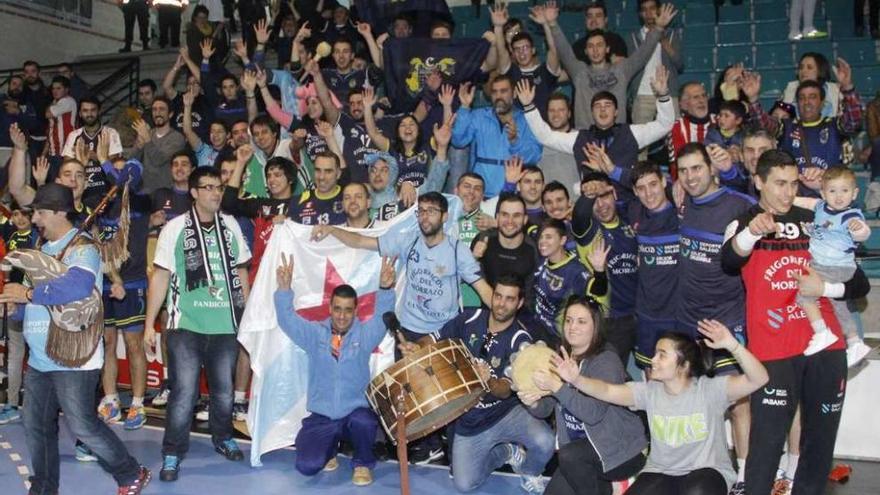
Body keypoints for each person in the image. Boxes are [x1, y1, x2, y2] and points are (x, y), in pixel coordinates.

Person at [720, 149, 870, 495]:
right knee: (767, 443)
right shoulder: (745, 222)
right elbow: (728, 261)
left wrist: (825, 287)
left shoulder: (817, 219)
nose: (787, 193)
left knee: (819, 444)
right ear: (758, 182)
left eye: (793, 184)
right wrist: (751, 234)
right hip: (773, 349)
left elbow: (858, 283)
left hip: (826, 343)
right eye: (779, 184)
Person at [0, 183, 152, 494]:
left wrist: (26, 293)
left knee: (83, 424)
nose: (36, 219)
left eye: (41, 213)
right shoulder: (42, 252)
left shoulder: (85, 248)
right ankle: (43, 487)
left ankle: (130, 472)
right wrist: (16, 307)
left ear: (58, 212)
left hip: (74, 357)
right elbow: (37, 307)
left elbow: (78, 288)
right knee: (36, 426)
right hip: (41, 356)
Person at [550, 322, 768, 494]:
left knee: (698, 490)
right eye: (655, 353)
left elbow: (759, 378)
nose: (653, 360)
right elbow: (607, 391)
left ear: (684, 364)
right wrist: (577, 379)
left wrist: (733, 345)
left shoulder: (710, 390)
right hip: (661, 473)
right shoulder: (649, 391)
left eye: (662, 354)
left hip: (706, 473)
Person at [144, 167, 252, 482]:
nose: (216, 193)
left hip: (225, 326)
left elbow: (242, 273)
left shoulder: (231, 225)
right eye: (208, 187)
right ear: (194, 192)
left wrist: (246, 317)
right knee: (184, 393)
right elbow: (161, 277)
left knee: (223, 392)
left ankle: (222, 437)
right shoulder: (175, 228)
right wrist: (150, 323)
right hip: (186, 325)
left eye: (219, 187)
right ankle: (172, 452)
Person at [400, 276, 556, 493]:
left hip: (506, 414)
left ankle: (529, 471)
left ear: (519, 304)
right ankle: (506, 452)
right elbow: (435, 338)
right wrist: (418, 347)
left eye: (509, 299)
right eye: (498, 296)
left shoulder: (521, 341)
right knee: (465, 484)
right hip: (471, 420)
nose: (501, 303)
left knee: (545, 441)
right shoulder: (468, 318)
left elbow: (504, 390)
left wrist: (488, 382)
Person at [275, 254, 396, 486]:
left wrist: (385, 288)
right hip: (322, 416)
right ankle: (329, 450)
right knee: (306, 467)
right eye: (337, 308)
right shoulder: (314, 335)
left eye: (348, 310)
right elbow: (287, 320)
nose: (342, 315)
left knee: (366, 422)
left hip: (354, 414)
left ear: (356, 310)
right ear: (330, 308)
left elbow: (384, 317)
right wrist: (283, 290)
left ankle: (362, 462)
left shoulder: (365, 336)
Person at [522, 296, 648, 495]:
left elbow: (593, 414)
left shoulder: (606, 360)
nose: (573, 326)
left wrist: (558, 386)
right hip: (581, 456)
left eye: (582, 321)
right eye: (569, 320)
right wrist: (532, 401)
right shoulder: (561, 355)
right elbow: (546, 408)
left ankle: (614, 485)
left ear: (595, 326)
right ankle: (608, 486)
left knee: (569, 456)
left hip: (620, 452)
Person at [544, 2, 677, 128]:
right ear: (585, 51)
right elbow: (564, 50)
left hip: (617, 136)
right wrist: (552, 24)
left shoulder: (621, 70)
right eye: (590, 46)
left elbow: (642, 53)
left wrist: (658, 28)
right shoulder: (579, 72)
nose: (595, 50)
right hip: (586, 137)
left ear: (607, 49)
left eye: (599, 45)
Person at [792, 166, 873, 365]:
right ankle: (854, 342)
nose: (838, 197)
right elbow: (806, 202)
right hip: (825, 265)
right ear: (823, 192)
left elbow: (864, 233)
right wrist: (788, 199)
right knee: (839, 305)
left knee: (803, 295)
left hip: (836, 267)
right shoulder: (820, 206)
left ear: (854, 193)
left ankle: (821, 332)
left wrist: (859, 229)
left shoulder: (850, 216)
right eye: (832, 191)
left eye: (844, 191)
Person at [744, 62, 863, 197]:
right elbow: (764, 125)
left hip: (829, 198)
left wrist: (847, 88)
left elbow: (854, 121)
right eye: (802, 98)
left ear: (822, 102)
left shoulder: (834, 126)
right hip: (793, 198)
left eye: (812, 97)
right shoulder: (787, 127)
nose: (807, 102)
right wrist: (753, 99)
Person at [451, 75, 543, 197]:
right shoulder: (479, 116)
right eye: (494, 92)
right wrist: (465, 107)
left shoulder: (527, 119)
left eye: (504, 91)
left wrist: (515, 141)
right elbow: (458, 141)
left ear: (514, 94)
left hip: (513, 193)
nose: (498, 96)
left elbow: (533, 158)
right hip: (479, 193)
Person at [0, 202, 36, 425]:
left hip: (35, 302)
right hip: (14, 303)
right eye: (16, 214)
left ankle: (34, 405)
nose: (21, 218)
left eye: (25, 213)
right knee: (15, 355)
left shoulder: (39, 236)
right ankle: (12, 404)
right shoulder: (10, 235)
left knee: (37, 356)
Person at [627, 0, 683, 126]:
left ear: (659, 10)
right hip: (642, 94)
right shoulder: (634, 37)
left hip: (668, 92)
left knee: (674, 136)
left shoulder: (671, 34)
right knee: (641, 141)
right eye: (644, 10)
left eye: (652, 8)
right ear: (640, 14)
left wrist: (664, 41)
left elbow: (679, 64)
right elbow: (631, 66)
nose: (648, 13)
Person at [132, 97, 188, 194]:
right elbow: (133, 160)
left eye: (162, 109)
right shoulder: (148, 133)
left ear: (170, 114)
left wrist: (147, 139)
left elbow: (158, 159)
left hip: (165, 192)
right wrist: (138, 145)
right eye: (154, 109)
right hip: (145, 191)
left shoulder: (177, 138)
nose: (157, 113)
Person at [781, 53, 841, 118]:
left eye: (809, 68)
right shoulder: (790, 89)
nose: (803, 71)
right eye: (801, 67)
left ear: (820, 70)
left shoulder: (836, 90)